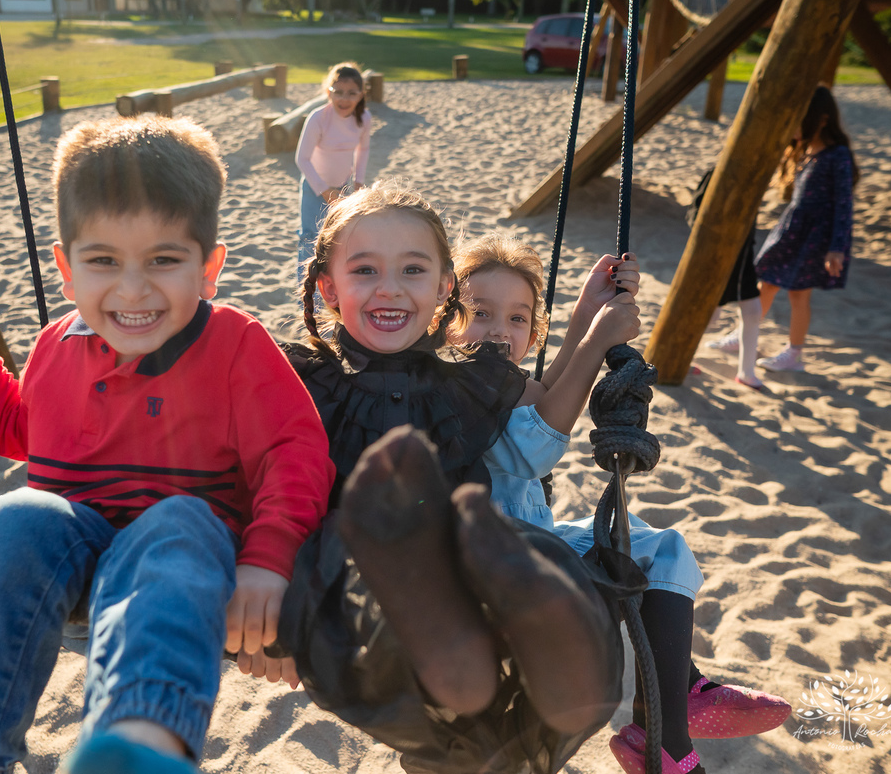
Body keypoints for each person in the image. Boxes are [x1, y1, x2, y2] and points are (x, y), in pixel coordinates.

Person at [0, 114, 335, 774]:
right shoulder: (55, 343)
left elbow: (294, 452)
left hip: (181, 550)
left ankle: (137, 744)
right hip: (71, 538)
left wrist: (269, 559)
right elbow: (20, 426)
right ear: (67, 271)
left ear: (208, 268)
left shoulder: (234, 344)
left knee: (179, 520)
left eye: (163, 259)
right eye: (104, 261)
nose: (132, 289)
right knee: (10, 514)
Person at [274, 183, 629, 774]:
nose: (389, 287)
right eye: (365, 270)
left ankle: (537, 636)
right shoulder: (301, 380)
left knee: (523, 547)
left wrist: (590, 324)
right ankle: (479, 638)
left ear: (444, 290)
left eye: (413, 269)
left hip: (470, 576)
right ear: (329, 289)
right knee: (398, 625)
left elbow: (542, 421)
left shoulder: (470, 377)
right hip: (363, 576)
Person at [452, 233, 792, 774]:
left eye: (518, 319)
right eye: (479, 312)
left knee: (663, 547)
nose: (499, 330)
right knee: (638, 554)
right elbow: (538, 446)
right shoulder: (456, 381)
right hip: (502, 561)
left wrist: (589, 311)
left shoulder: (502, 379)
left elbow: (543, 391)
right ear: (444, 316)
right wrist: (598, 340)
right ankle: (670, 738)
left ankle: (673, 702)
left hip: (528, 539)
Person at [754, 85, 858, 374]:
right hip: (792, 229)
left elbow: (843, 207)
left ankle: (793, 353)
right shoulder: (804, 151)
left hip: (816, 237)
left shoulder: (838, 156)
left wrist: (836, 248)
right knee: (765, 282)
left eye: (802, 120)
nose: (795, 127)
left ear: (823, 119)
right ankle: (747, 334)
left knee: (799, 294)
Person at [294, 62, 371, 288]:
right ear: (328, 92)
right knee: (309, 238)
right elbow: (302, 159)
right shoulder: (318, 118)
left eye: (351, 93)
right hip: (313, 186)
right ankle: (307, 294)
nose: (344, 99)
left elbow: (363, 150)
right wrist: (324, 190)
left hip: (343, 186)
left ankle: (333, 287)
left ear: (361, 94)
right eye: (338, 92)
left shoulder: (364, 118)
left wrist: (358, 183)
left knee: (337, 239)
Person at [690, 169, 764, 391]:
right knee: (710, 315)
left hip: (743, 255)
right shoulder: (721, 171)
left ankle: (746, 372)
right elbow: (695, 214)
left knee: (752, 312)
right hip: (719, 256)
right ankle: (680, 360)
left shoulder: (757, 172)